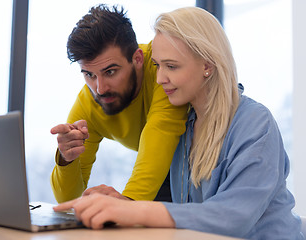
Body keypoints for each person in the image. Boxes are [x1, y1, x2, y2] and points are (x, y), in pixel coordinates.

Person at [53, 6, 304, 239]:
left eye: (171, 66)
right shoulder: (185, 127)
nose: (160, 79)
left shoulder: (255, 123)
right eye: (158, 66)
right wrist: (118, 202)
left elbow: (233, 217)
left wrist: (131, 209)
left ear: (207, 65)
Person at [50, 4, 188, 203]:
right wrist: (66, 158)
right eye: (89, 74)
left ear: (138, 59)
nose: (100, 88)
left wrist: (126, 205)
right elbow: (67, 201)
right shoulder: (89, 103)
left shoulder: (161, 71)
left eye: (110, 71)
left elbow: (162, 129)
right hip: (164, 172)